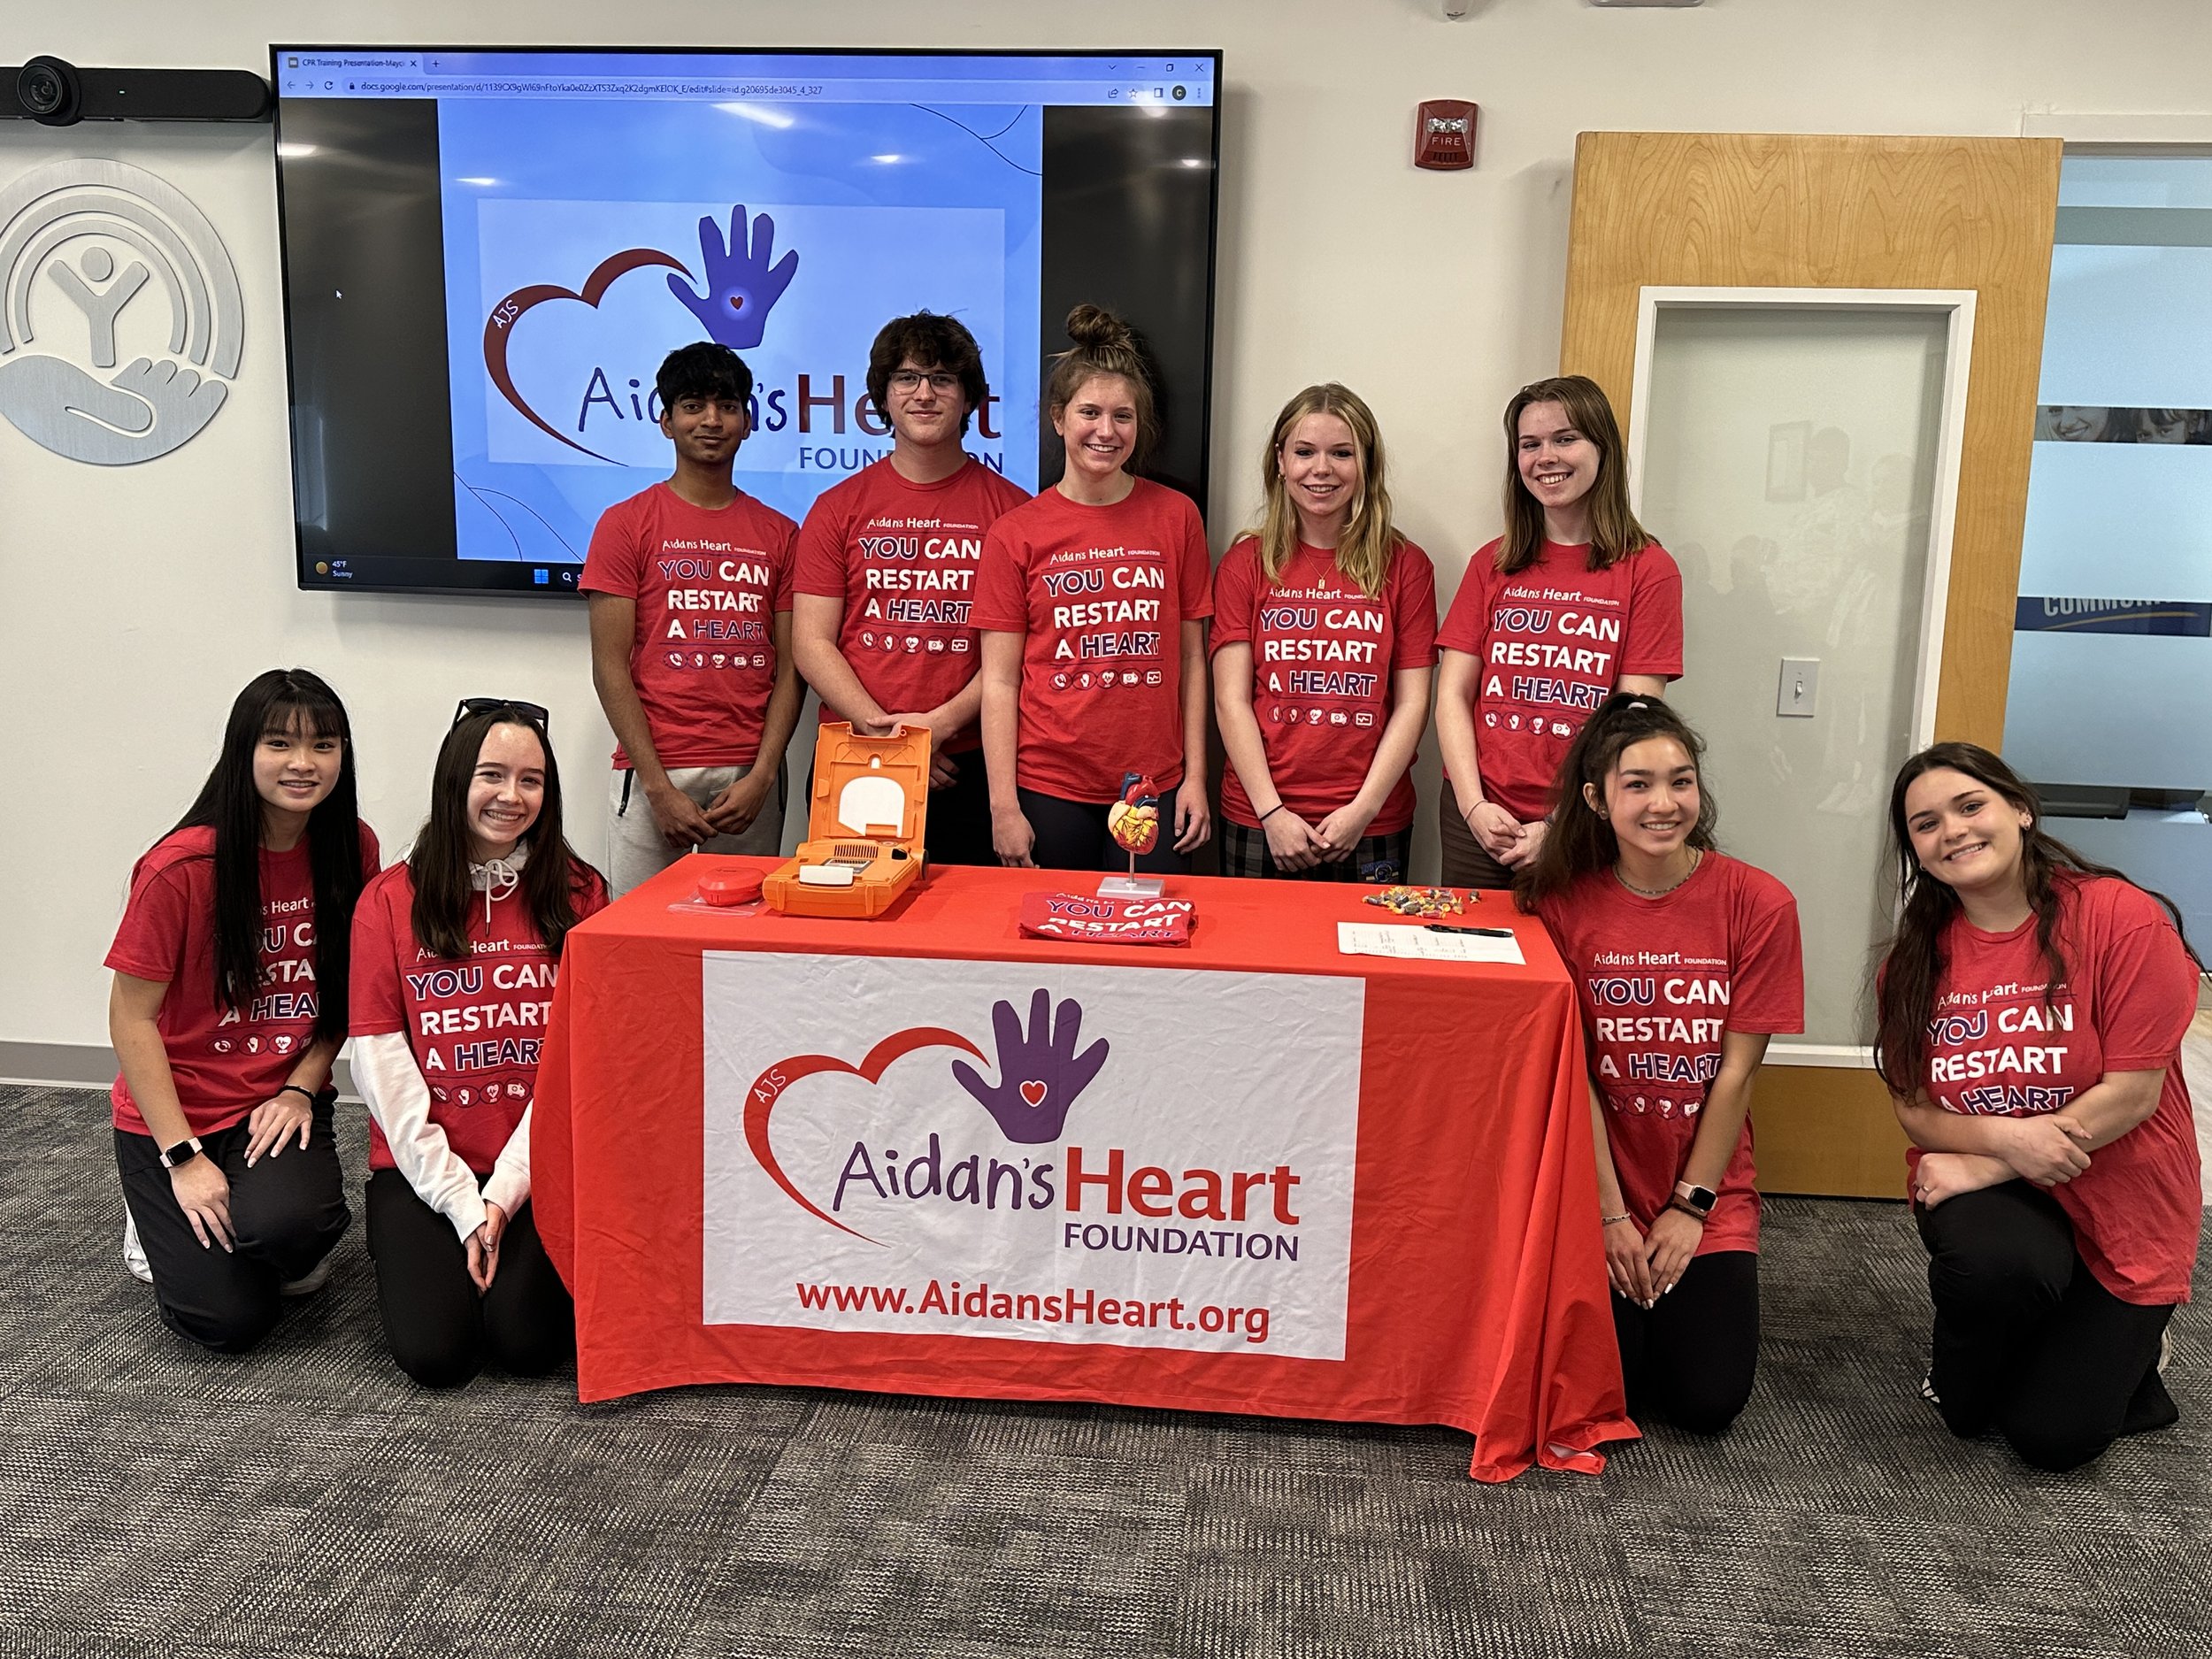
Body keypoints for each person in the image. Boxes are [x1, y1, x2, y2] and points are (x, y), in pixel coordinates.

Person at [1874, 743, 2200, 1472]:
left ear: (2020, 809)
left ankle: (2126, 1352)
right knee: (1966, 1410)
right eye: (1926, 824)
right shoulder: (1914, 963)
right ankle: (2039, 1327)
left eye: (1970, 806)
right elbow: (1916, 1111)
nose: (1953, 831)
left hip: (2123, 1192)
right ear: (1916, 850)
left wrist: (1993, 1159)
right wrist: (2010, 1148)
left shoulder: (2119, 917)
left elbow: (2134, 1093)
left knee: (2051, 1438)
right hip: (2012, 1209)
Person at [1521, 694, 1801, 1434]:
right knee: (1604, 1384)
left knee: (1707, 1401)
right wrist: (1608, 1214)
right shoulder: (1561, 904)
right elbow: (1573, 1074)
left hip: (1703, 1187)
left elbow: (1737, 1074)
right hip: (1597, 1180)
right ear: (1596, 799)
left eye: (1681, 781)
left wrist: (1690, 1207)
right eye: (1638, 784)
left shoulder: (1759, 902)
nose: (1663, 803)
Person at [106, 670, 375, 1353]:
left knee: (294, 1234)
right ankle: (154, 1210)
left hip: (275, 1104)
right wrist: (181, 1157)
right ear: (243, 750)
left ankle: (247, 1221)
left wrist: (300, 1086)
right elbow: (131, 1020)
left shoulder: (352, 848)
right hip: (177, 1112)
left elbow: (348, 992)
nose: (303, 763)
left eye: (323, 745)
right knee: (230, 1321)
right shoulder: (179, 868)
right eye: (279, 743)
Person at [350, 701, 604, 1387]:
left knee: (526, 1345)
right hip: (424, 1165)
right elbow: (380, 1061)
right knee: (437, 1356)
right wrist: (465, 1205)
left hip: (541, 1159)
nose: (511, 796)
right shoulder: (388, 900)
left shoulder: (581, 893)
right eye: (492, 774)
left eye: (531, 780)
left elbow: (579, 1062)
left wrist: (505, 1194)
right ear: (456, 779)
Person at [972, 305, 1213, 872]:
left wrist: (1197, 778)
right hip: (1048, 785)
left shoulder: (1177, 517)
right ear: (1059, 419)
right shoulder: (1015, 533)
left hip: (1156, 784)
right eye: (1090, 412)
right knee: (1056, 927)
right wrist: (1003, 806)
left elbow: (1192, 660)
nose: (1106, 431)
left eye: (1122, 416)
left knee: (1150, 925)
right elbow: (1001, 682)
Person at [792, 313, 1030, 864]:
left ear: (968, 398)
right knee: (852, 914)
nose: (924, 394)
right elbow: (811, 642)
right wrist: (894, 739)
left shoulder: (1014, 512)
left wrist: (938, 728)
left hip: (969, 762)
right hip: (855, 755)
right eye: (907, 378)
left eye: (943, 378)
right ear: (883, 395)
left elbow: (1017, 656)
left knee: (967, 917)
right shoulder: (836, 509)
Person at [1434, 375, 1683, 889]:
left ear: (1602, 448)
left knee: (1573, 944)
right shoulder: (1491, 563)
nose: (1546, 457)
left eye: (1565, 439)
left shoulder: (1648, 569)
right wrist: (1473, 806)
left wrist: (1557, 826)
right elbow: (1453, 695)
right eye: (1530, 444)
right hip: (1477, 817)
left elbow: (1630, 721)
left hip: (1586, 817)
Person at [583, 342, 803, 896]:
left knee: (744, 936)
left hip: (749, 778)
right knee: (639, 936)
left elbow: (791, 670)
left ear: (748, 422)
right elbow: (609, 666)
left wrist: (764, 776)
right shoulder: (624, 524)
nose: (711, 420)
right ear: (666, 421)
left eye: (727, 406)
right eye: (692, 405)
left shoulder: (781, 534)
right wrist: (657, 788)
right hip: (653, 772)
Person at [1212, 384, 1437, 882]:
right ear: (1280, 461)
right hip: (1260, 816)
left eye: (1341, 453)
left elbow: (1413, 703)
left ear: (1366, 464)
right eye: (1304, 452)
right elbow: (1231, 701)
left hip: (1371, 819)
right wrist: (1272, 813)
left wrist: (1363, 810)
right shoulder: (1244, 564)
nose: (1321, 469)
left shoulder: (1406, 566)